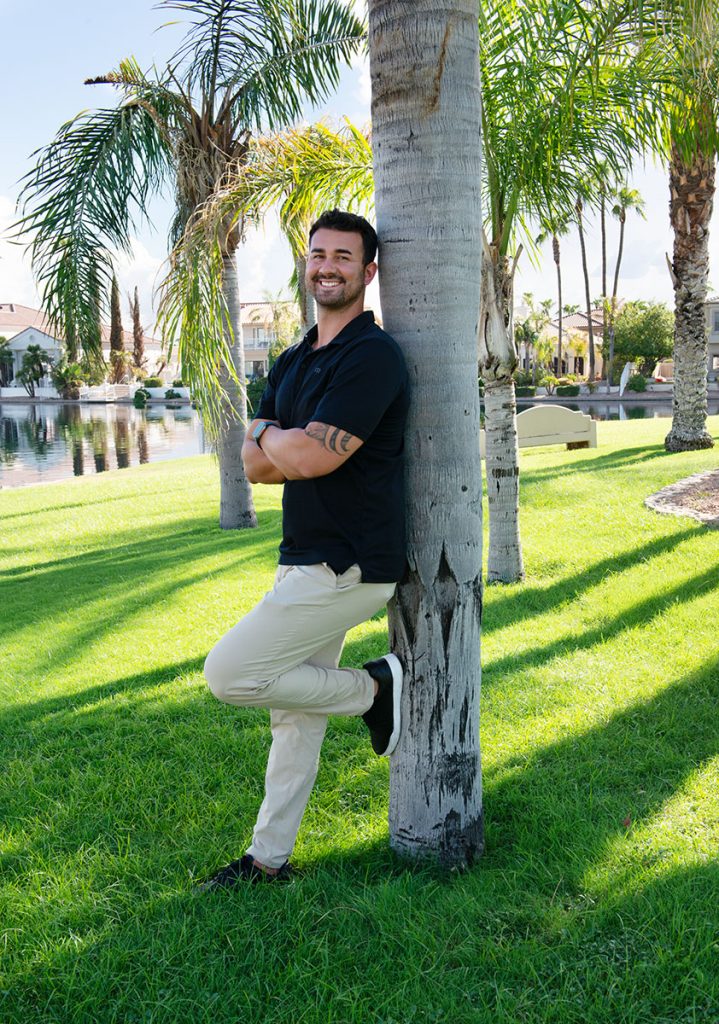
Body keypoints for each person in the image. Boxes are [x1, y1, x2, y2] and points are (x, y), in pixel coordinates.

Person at [201, 209, 410, 888]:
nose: (327, 266)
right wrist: (275, 439)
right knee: (293, 715)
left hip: (350, 565)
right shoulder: (293, 360)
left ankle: (373, 689)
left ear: (367, 272)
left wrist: (271, 436)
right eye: (317, 254)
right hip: (303, 558)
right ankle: (268, 859)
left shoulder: (372, 357)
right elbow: (261, 467)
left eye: (343, 257)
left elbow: (311, 459)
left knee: (231, 674)